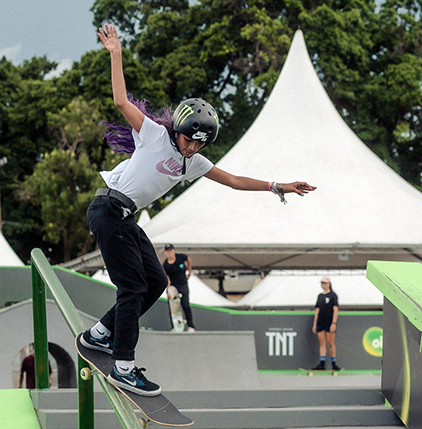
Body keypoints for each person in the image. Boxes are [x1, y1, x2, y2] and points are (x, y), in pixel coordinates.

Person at [79, 24, 316, 397]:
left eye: (200, 145)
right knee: (132, 287)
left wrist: (278, 186)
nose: (191, 149)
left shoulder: (196, 163)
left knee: (156, 282)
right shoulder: (155, 136)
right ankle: (123, 365)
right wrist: (116, 53)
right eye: (189, 140)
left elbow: (235, 180)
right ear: (178, 130)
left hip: (127, 218)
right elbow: (122, 102)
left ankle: (98, 334)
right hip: (108, 209)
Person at [162, 244, 195, 332]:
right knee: (173, 307)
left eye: (171, 250)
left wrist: (189, 270)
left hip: (182, 284)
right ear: (165, 252)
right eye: (167, 251)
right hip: (173, 286)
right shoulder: (166, 265)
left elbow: (188, 259)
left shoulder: (180, 257)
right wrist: (169, 288)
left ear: (173, 250)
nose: (169, 252)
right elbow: (166, 276)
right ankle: (174, 326)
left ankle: (191, 326)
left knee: (185, 304)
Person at [311, 276, 340, 371]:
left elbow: (335, 310)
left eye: (325, 283)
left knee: (330, 343)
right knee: (322, 343)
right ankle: (322, 364)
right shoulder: (320, 296)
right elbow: (317, 310)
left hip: (329, 322)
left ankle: (334, 364)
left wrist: (334, 323)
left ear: (329, 284)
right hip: (320, 322)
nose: (324, 285)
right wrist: (315, 323)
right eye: (322, 283)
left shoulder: (333, 296)